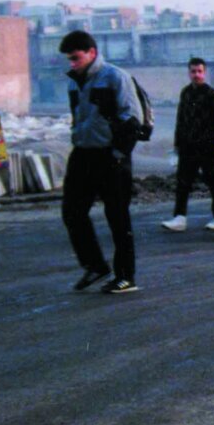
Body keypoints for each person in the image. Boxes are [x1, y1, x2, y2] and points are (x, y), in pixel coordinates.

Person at [59, 31, 143, 293]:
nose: (71, 63)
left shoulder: (115, 77)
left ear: (91, 53)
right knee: (72, 212)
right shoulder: (75, 82)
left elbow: (133, 120)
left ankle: (125, 276)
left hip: (111, 156)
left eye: (75, 58)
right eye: (69, 59)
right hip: (83, 153)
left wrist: (119, 154)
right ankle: (95, 266)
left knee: (117, 216)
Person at [162, 57, 214, 232]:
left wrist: (212, 141)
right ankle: (179, 218)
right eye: (193, 71)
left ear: (204, 72)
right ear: (189, 72)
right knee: (183, 183)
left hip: (207, 147)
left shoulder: (213, 95)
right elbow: (180, 120)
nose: (196, 75)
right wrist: (177, 145)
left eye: (199, 71)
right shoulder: (185, 93)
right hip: (187, 147)